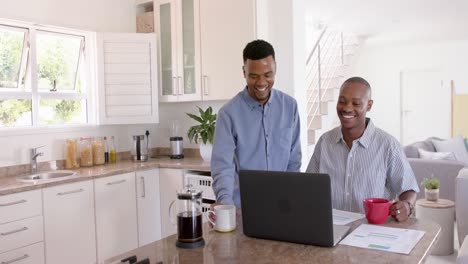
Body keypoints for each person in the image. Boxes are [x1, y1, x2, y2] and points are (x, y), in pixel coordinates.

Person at [306, 77, 419, 222]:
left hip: (371, 233)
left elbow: (408, 189)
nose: (347, 108)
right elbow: (309, 187)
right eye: (342, 101)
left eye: (356, 103)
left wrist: (407, 205)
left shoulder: (388, 145)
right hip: (330, 230)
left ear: (369, 105)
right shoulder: (324, 142)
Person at [210, 39, 302, 209]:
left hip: (282, 206)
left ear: (275, 70)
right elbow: (223, 166)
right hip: (243, 209)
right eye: (253, 76)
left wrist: (291, 197)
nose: (261, 83)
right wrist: (226, 205)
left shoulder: (290, 107)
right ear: (244, 72)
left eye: (268, 75)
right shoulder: (228, 114)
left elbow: (293, 160)